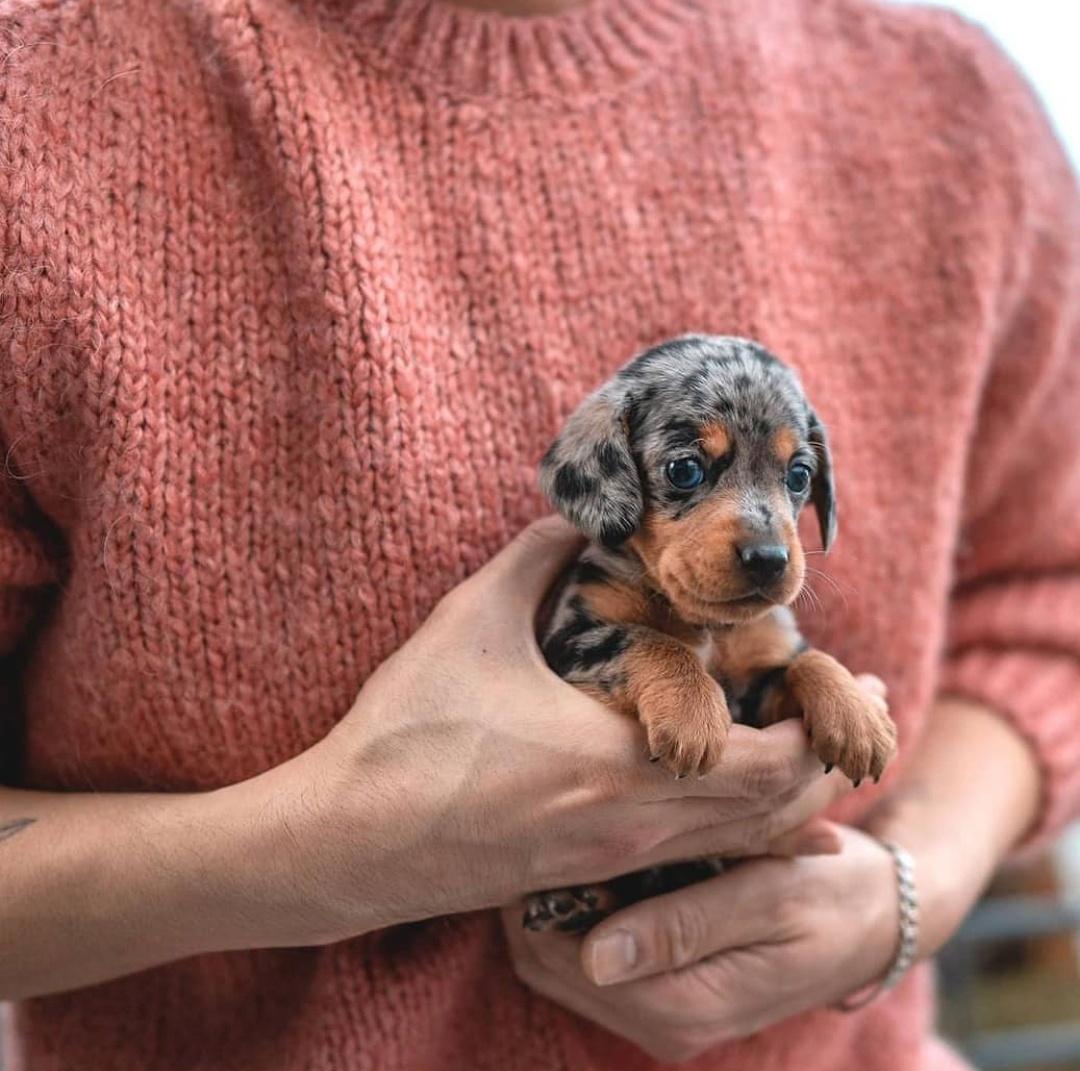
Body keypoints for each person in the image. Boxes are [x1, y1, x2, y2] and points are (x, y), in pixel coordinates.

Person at [0, 0, 1077, 1067]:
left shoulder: (948, 100)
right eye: (691, 474)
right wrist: (333, 850)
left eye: (792, 481)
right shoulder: (39, 92)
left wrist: (907, 890)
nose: (761, 533)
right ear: (615, 478)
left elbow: (1051, 593)